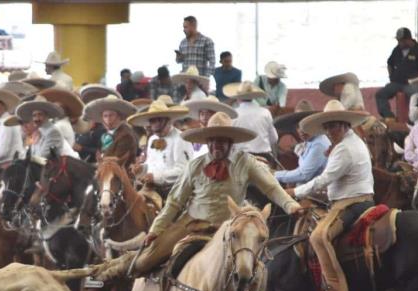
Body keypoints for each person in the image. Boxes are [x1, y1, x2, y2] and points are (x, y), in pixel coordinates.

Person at [94, 112, 300, 281]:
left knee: (257, 272)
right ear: (207, 142)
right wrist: (156, 230)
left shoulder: (246, 162)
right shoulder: (195, 165)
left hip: (231, 226)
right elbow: (174, 202)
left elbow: (272, 188)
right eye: (212, 141)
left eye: (221, 141)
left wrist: (291, 206)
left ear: (230, 142)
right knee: (143, 263)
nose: (216, 145)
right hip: (192, 223)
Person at [286, 100, 372, 291]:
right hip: (353, 197)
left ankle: (333, 289)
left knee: (318, 236)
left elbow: (324, 179)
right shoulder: (351, 142)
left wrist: (295, 192)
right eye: (327, 127)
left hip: (351, 203)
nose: (329, 131)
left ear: (344, 125)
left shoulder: (344, 149)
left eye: (333, 126)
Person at [128, 100, 193, 199]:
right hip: (151, 188)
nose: (154, 124)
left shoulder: (181, 138)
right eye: (152, 120)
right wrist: (141, 168)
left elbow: (184, 170)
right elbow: (151, 165)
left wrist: (155, 178)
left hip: (174, 191)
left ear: (168, 120)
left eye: (158, 120)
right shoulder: (152, 139)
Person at [375, 27, 418, 120]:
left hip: (413, 83)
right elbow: (390, 63)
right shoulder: (397, 50)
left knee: (417, 97)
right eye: (398, 40)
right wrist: (391, 76)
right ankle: (389, 117)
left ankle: (413, 120)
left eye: (402, 41)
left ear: (408, 39)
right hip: (397, 82)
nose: (400, 43)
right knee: (380, 94)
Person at [272, 100, 330, 185]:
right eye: (298, 126)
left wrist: (274, 174)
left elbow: (303, 175)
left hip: (313, 194)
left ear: (312, 125)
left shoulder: (319, 144)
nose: (301, 131)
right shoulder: (309, 142)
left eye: (305, 126)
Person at [224, 81, 278, 164]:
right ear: (253, 97)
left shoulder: (232, 114)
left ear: (238, 97)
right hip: (263, 158)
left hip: (240, 159)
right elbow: (274, 139)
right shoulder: (265, 112)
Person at [83, 95, 138, 171]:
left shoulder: (126, 135)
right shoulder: (105, 134)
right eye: (105, 116)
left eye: (111, 115)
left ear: (119, 117)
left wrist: (100, 161)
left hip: (122, 175)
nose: (108, 120)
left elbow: (117, 160)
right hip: (106, 171)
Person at [15, 96, 65, 160]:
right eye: (34, 115)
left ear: (47, 116)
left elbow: (44, 156)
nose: (36, 119)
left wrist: (27, 159)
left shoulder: (53, 132)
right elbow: (33, 153)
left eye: (40, 114)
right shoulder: (38, 131)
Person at [39, 87, 84, 151]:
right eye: (54, 107)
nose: (55, 110)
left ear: (65, 110)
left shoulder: (61, 125)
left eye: (59, 108)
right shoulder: (61, 123)